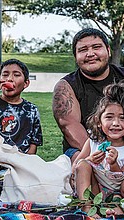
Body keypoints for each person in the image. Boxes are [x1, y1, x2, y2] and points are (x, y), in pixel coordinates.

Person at [52, 28, 124, 163]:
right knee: (84, 165)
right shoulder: (65, 87)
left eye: (96, 47)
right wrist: (102, 155)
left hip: (122, 141)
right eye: (83, 50)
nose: (90, 54)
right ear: (75, 56)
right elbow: (70, 127)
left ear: (108, 50)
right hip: (83, 147)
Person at [0, 58, 43, 173]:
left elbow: (34, 142)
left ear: (26, 83)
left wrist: (26, 164)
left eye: (16, 75)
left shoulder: (31, 110)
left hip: (20, 163)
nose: (9, 79)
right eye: (5, 74)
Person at [74, 81, 124, 216]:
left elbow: (120, 180)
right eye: (109, 117)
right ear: (98, 121)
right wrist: (90, 160)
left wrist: (113, 165)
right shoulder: (94, 142)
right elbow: (75, 167)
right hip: (96, 191)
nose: (116, 123)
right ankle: (86, 206)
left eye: (122, 118)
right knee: (83, 164)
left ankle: (117, 209)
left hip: (120, 193)